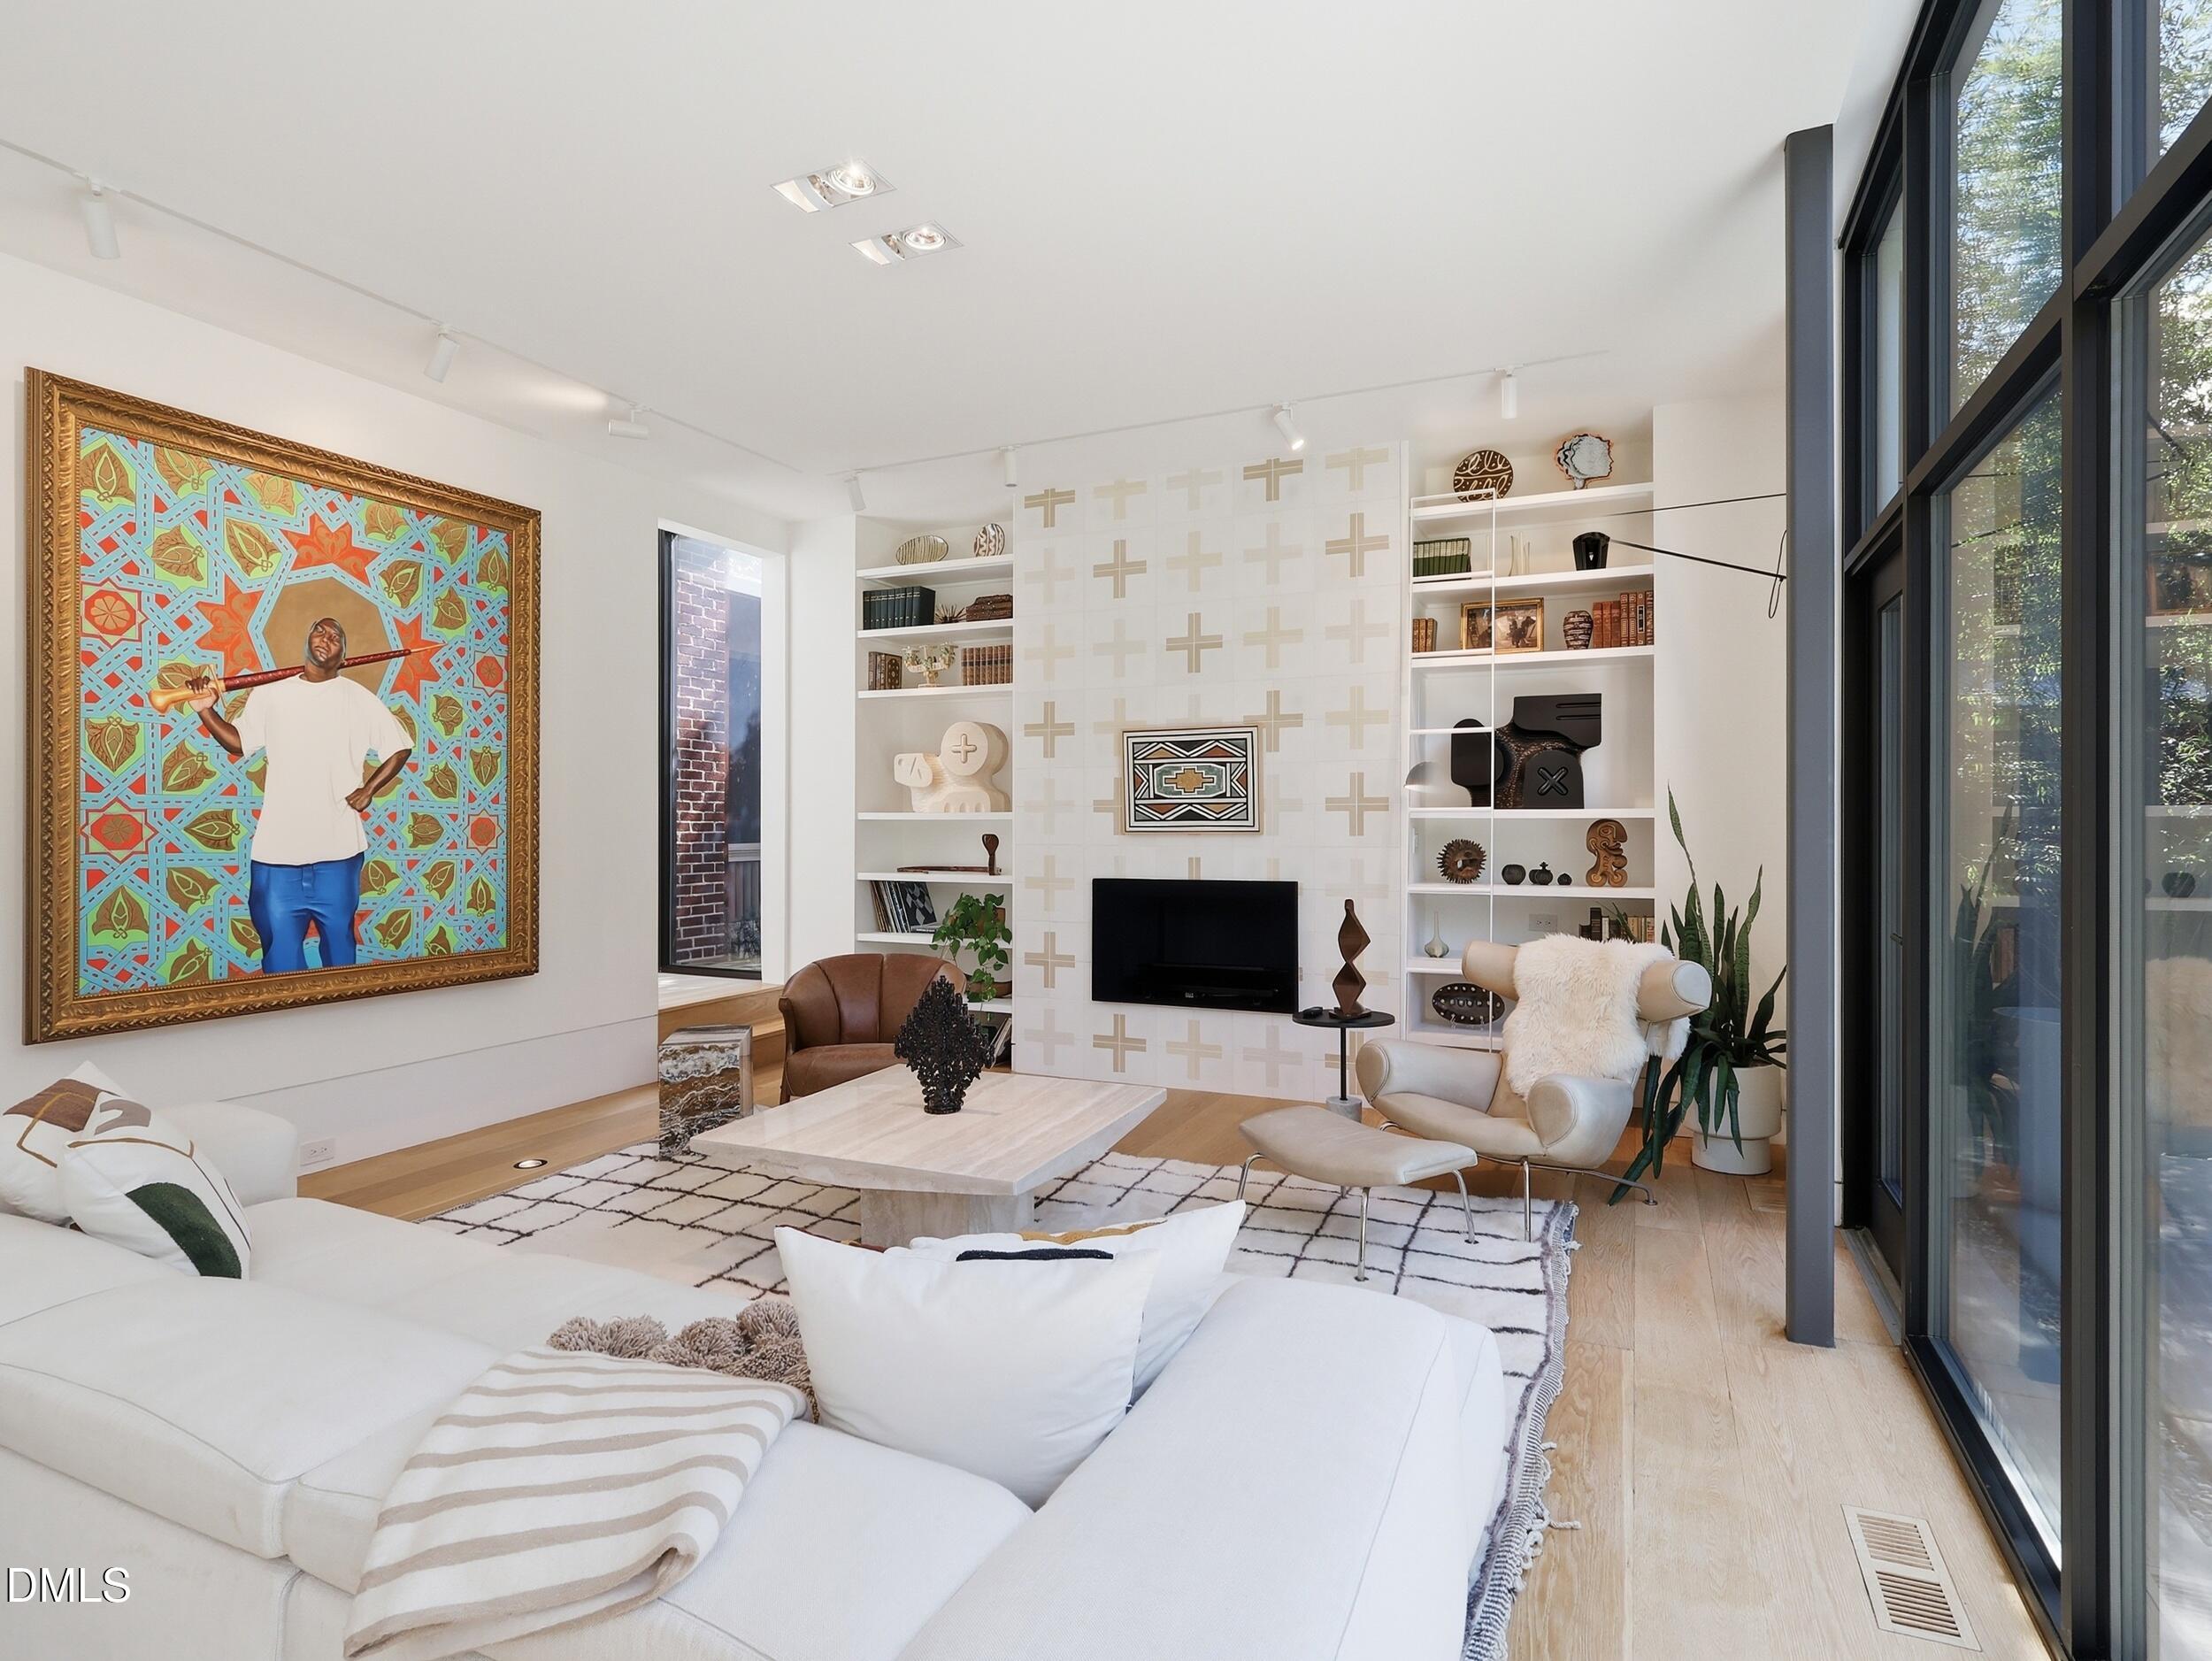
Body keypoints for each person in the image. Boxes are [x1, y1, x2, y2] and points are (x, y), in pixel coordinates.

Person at [185, 617, 413, 973]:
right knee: (279, 959)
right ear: (307, 640)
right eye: (320, 630)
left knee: (340, 955)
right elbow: (237, 742)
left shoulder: (359, 700)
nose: (326, 637)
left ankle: (340, 1025)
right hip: (277, 854)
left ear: (343, 655)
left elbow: (400, 748)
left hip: (339, 852)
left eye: (336, 636)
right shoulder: (271, 693)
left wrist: (369, 789)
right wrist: (205, 710)